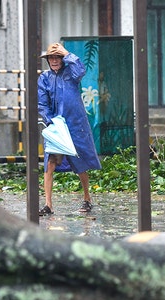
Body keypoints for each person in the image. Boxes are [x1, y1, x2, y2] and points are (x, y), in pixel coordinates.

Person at [37, 42, 101, 216]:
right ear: (48, 60)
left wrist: (66, 53)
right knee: (50, 164)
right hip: (56, 127)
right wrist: (51, 122)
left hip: (75, 125)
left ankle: (87, 198)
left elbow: (80, 70)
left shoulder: (71, 74)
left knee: (79, 164)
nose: (54, 60)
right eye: (51, 57)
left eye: (58, 57)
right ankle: (48, 204)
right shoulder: (44, 78)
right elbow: (42, 103)